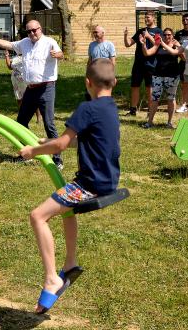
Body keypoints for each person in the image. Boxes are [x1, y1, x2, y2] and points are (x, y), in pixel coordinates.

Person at [18, 58, 120, 314]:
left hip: (89, 184)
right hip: (108, 180)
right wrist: (47, 141)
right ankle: (70, 263)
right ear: (114, 83)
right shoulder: (111, 108)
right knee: (66, 210)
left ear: (88, 83)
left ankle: (52, 277)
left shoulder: (87, 108)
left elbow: (62, 146)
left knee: (38, 216)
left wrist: (34, 150)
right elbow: (81, 141)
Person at [0, 20, 64, 169]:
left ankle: (57, 159)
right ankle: (28, 153)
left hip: (47, 88)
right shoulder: (24, 43)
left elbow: (60, 53)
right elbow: (7, 45)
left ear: (40, 28)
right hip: (30, 89)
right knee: (20, 122)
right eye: (29, 31)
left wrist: (57, 54)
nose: (32, 33)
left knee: (49, 124)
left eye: (35, 30)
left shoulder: (49, 42)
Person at [140, 28, 182, 128]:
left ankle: (169, 122)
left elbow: (184, 58)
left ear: (172, 36)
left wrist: (179, 47)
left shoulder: (176, 45)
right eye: (165, 34)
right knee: (154, 99)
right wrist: (143, 45)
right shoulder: (158, 44)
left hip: (172, 76)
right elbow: (147, 53)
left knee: (171, 98)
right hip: (158, 75)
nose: (167, 36)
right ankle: (150, 122)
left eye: (169, 35)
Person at [124, 10, 161, 116]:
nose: (146, 19)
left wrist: (149, 36)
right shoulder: (140, 31)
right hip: (138, 64)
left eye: (148, 17)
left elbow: (158, 45)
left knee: (149, 87)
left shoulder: (158, 31)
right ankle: (133, 110)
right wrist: (125, 36)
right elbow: (128, 44)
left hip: (151, 64)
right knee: (135, 86)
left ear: (153, 18)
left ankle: (150, 111)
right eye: (145, 17)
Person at [4, 50, 41, 123]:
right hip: (16, 81)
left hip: (26, 81)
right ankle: (22, 117)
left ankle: (39, 117)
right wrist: (7, 56)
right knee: (19, 99)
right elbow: (9, 67)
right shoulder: (15, 58)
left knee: (33, 99)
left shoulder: (29, 57)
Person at [86, 25, 116, 101]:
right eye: (94, 32)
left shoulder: (109, 45)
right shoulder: (91, 45)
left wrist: (111, 74)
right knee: (93, 94)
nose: (95, 34)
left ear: (103, 33)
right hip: (94, 73)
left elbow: (113, 61)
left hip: (105, 73)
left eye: (96, 32)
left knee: (105, 94)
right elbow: (90, 60)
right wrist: (88, 74)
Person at [174, 13, 188, 113]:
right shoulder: (179, 33)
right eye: (184, 20)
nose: (185, 22)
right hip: (182, 62)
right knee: (184, 84)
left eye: (187, 20)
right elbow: (175, 46)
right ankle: (185, 104)